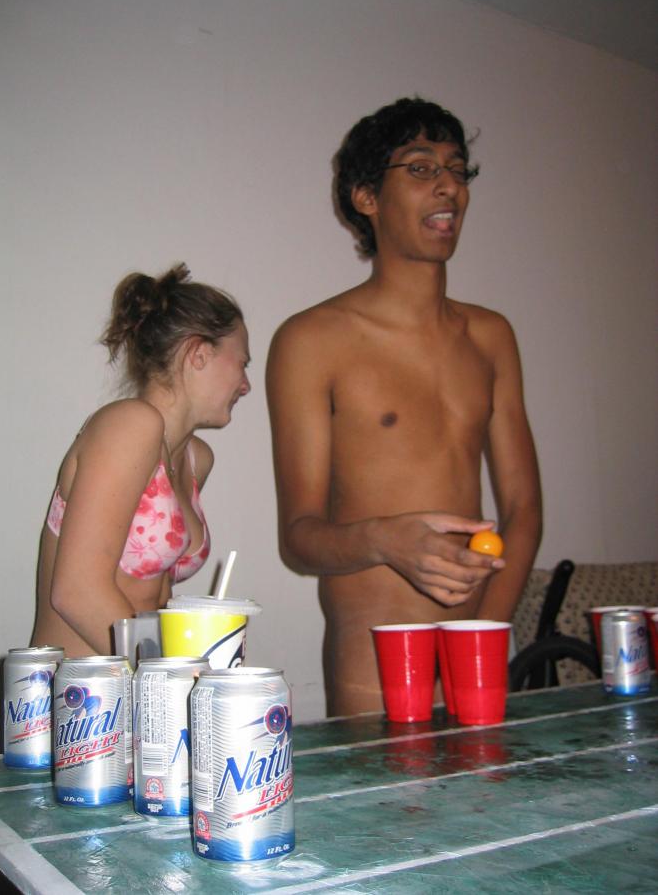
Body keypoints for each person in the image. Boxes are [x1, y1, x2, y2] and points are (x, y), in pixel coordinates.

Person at [266, 97, 542, 715]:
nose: (449, 186)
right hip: (375, 661)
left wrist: (485, 635)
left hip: (478, 653)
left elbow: (524, 508)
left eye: (457, 169)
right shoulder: (311, 340)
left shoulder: (491, 336)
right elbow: (300, 538)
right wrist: (386, 541)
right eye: (420, 168)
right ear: (367, 196)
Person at [31, 264, 250, 657]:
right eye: (242, 363)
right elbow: (76, 591)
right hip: (81, 690)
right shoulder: (129, 426)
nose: (246, 385)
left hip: (136, 683)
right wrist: (169, 677)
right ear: (199, 354)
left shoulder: (195, 459)